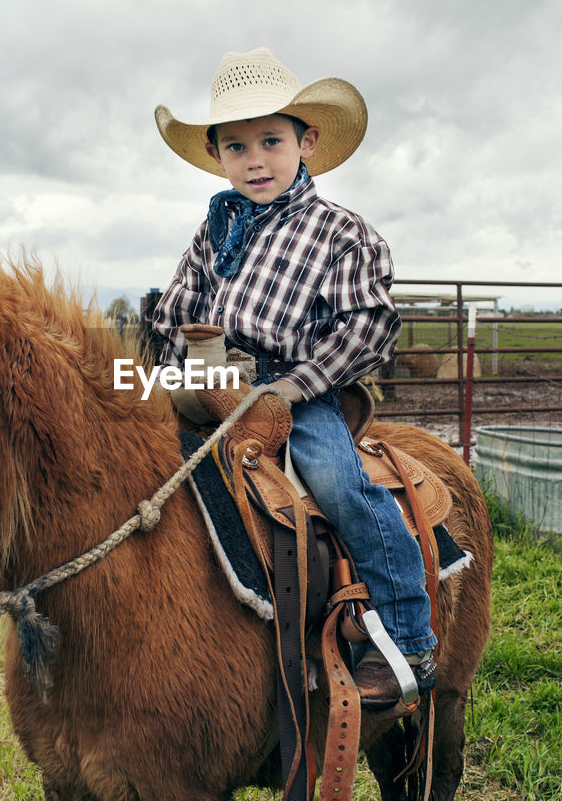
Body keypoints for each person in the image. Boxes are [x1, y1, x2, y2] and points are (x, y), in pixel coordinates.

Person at [151, 47, 434, 708]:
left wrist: (294, 386)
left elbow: (368, 325)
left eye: (271, 141)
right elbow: (175, 310)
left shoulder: (341, 233)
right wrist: (172, 368)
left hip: (296, 392)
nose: (255, 160)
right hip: (210, 381)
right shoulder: (213, 232)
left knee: (338, 483)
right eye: (236, 146)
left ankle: (407, 634)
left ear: (306, 142)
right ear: (218, 155)